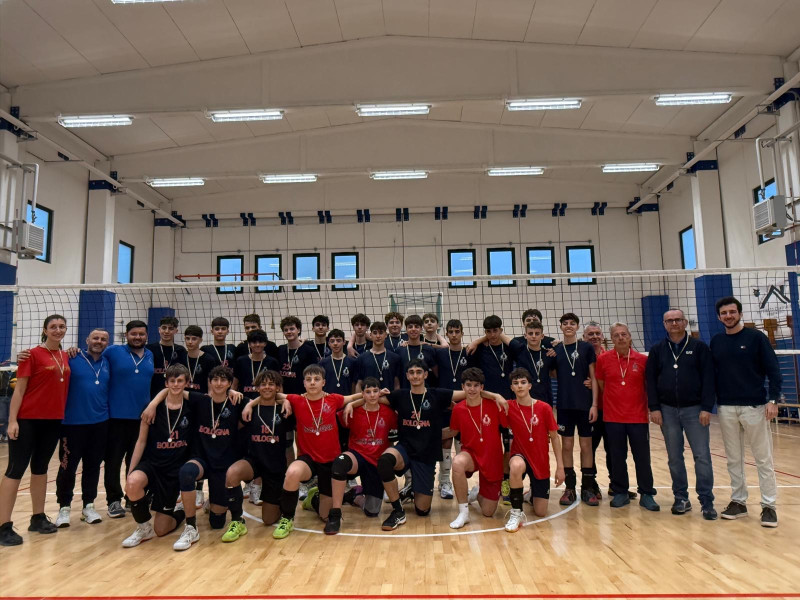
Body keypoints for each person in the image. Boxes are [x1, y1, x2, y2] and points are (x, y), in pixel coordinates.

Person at [372, 359, 507, 531]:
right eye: (411, 372)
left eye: (419, 372)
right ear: (407, 375)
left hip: (426, 454)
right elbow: (372, 398)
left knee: (422, 510)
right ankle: (398, 511)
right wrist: (357, 402)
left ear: (425, 374)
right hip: (405, 448)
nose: (415, 376)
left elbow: (470, 392)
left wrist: (496, 396)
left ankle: (412, 490)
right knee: (385, 461)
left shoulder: (438, 394)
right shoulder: (399, 395)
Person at [242, 364, 365, 539]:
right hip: (308, 459)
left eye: (316, 379)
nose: (312, 383)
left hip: (330, 461)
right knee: (292, 472)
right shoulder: (297, 400)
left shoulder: (333, 399)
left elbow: (354, 396)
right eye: (309, 380)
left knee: (325, 516)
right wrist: (250, 404)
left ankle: (313, 498)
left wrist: (354, 402)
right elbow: (270, 394)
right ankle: (287, 518)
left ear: (323, 382)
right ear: (304, 383)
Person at [141, 365, 244, 550]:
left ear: (230, 383)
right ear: (209, 382)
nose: (219, 383)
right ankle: (191, 526)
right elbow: (170, 389)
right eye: (215, 380)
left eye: (223, 380)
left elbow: (266, 399)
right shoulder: (200, 400)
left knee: (217, 523)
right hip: (201, 460)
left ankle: (212, 504)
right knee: (186, 472)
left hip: (222, 465)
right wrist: (152, 404)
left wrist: (247, 401)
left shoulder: (237, 401)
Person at [0, 315, 71, 546]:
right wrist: (12, 421)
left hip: (53, 421)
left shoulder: (65, 355)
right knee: (15, 470)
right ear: (45, 330)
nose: (58, 330)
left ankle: (37, 518)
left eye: (61, 326)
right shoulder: (31, 355)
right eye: (53, 327)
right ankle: (3, 525)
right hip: (27, 420)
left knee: (40, 469)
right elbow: (19, 391)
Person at [711, 296, 781, 527]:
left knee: (763, 458)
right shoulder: (717, 341)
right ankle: (738, 502)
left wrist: (773, 400)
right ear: (719, 317)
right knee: (733, 459)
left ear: (740, 313)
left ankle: (769, 506)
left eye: (732, 312)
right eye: (724, 313)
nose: (728, 316)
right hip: (726, 407)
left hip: (754, 407)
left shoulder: (756, 338)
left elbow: (774, 370)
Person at [646, 308, 717, 519]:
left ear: (685, 322)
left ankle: (706, 501)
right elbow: (650, 381)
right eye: (670, 321)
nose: (674, 323)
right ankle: (681, 498)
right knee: (674, 458)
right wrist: (654, 408)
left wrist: (707, 408)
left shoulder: (699, 347)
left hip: (695, 410)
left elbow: (709, 379)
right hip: (667, 410)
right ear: (664, 324)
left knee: (702, 456)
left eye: (678, 320)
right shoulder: (657, 350)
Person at [121, 364, 194, 548]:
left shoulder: (192, 406)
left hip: (173, 470)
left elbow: (213, 398)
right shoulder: (151, 408)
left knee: (161, 530)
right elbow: (141, 442)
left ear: (187, 383)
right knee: (132, 483)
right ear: (166, 383)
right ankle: (143, 528)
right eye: (172, 381)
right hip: (152, 464)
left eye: (180, 381)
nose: (176, 384)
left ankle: (180, 511)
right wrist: (130, 471)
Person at [595, 323, 658, 511]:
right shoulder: (603, 359)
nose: (620, 338)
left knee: (642, 457)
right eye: (616, 335)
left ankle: (647, 493)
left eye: (624, 334)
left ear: (630, 337)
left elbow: (648, 386)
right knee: (617, 457)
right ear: (611, 339)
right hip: (613, 418)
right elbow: (602, 384)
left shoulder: (643, 360)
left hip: (638, 417)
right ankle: (620, 492)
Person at [223, 370, 291, 543]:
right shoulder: (249, 407)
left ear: (278, 387)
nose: (267, 387)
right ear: (257, 387)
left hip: (275, 467)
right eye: (263, 384)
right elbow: (223, 392)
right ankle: (237, 521)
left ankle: (283, 501)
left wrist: (286, 400)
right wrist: (248, 403)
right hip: (254, 461)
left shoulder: (285, 408)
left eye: (271, 384)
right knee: (232, 473)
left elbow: (300, 398)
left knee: (268, 520)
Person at [54, 328, 111, 529]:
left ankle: (89, 505)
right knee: (67, 467)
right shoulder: (71, 358)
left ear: (107, 343)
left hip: (100, 424)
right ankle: (64, 507)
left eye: (103, 339)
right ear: (87, 340)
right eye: (95, 338)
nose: (99, 341)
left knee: (93, 466)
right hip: (72, 425)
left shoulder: (108, 362)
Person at [327, 376, 397, 534]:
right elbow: (331, 418)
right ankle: (335, 514)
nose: (372, 395)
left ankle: (355, 496)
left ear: (380, 393)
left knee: (372, 511)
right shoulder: (353, 411)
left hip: (376, 463)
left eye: (375, 391)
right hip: (357, 456)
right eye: (368, 392)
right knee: (340, 462)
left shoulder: (388, 412)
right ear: (362, 394)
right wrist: (351, 404)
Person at [103, 320, 155, 518]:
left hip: (141, 419)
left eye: (141, 334)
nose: (138, 337)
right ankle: (113, 500)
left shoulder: (150, 355)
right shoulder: (113, 351)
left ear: (146, 336)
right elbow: (92, 356)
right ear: (126, 335)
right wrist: (73, 351)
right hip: (115, 418)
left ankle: (132, 497)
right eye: (134, 334)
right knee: (113, 461)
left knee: (136, 461)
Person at [504, 368, 564, 532]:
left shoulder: (544, 408)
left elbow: (555, 438)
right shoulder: (509, 407)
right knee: (515, 465)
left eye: (523, 382)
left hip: (540, 461)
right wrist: (497, 397)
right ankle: (516, 512)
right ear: (511, 388)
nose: (520, 386)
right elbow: (486, 399)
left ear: (530, 385)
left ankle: (528, 495)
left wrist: (560, 467)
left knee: (540, 512)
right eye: (516, 383)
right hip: (520, 456)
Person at [448, 368, 507, 529]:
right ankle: (463, 513)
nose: (472, 389)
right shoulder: (459, 409)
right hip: (471, 454)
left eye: (476, 385)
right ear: (463, 387)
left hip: (492, 458)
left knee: (488, 512)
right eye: (468, 385)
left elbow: (509, 425)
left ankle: (478, 493)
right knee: (457, 462)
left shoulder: (495, 405)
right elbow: (453, 431)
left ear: (482, 387)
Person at [553, 313, 598, 506]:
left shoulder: (586, 348)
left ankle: (587, 488)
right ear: (561, 327)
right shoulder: (556, 350)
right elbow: (552, 373)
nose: (569, 326)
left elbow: (593, 377)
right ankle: (569, 488)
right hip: (564, 405)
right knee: (567, 445)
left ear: (578, 327)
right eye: (565, 323)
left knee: (586, 446)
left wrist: (594, 404)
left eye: (572, 323)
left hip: (585, 405)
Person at [471, 315, 513, 502]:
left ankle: (506, 482)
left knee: (509, 446)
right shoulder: (480, 349)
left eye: (496, 331)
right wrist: (480, 340)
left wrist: (486, 338)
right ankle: (487, 484)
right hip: (488, 404)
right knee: (490, 447)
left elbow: (522, 346)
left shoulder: (509, 347)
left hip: (508, 404)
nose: (493, 334)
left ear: (501, 330)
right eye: (488, 332)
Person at [433, 319, 474, 500]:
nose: (454, 335)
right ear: (447, 334)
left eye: (457, 331)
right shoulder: (440, 353)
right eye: (451, 332)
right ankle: (444, 482)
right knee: (445, 441)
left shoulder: (470, 352)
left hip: (465, 405)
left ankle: (460, 481)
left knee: (462, 443)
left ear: (462, 333)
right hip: (445, 404)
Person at [582, 321, 613, 501]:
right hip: (590, 410)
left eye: (597, 333)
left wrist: (595, 383)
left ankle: (615, 484)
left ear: (602, 336)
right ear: (584, 337)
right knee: (590, 449)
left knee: (614, 449)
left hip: (610, 410)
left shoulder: (610, 355)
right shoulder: (580, 355)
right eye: (590, 334)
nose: (594, 337)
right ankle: (591, 483)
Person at [147, 316, 188, 401]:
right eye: (164, 328)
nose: (166, 331)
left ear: (176, 331)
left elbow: (184, 374)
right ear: (159, 329)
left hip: (174, 395)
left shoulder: (181, 350)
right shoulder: (149, 349)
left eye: (170, 328)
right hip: (151, 394)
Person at [278, 316, 319, 396]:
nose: (289, 332)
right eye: (286, 330)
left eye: (292, 329)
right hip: (284, 396)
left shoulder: (309, 351)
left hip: (303, 395)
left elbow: (313, 375)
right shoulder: (280, 350)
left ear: (298, 330)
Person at [355, 321, 401, 391]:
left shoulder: (395, 358)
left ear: (386, 335)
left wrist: (396, 398)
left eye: (381, 333)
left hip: (388, 397)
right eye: (375, 333)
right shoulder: (361, 358)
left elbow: (396, 384)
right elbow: (359, 383)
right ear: (370, 335)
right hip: (369, 397)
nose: (378, 336)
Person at [183, 326, 219, 394]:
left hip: (202, 397)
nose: (190, 342)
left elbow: (211, 386)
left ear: (200, 340)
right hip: (183, 396)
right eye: (187, 338)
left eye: (194, 339)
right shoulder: (181, 357)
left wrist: (209, 398)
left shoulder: (208, 360)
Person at [320, 329, 358, 394]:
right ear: (329, 343)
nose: (335, 343)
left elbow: (354, 384)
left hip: (347, 398)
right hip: (329, 399)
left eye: (338, 340)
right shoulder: (323, 363)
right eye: (332, 341)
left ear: (344, 342)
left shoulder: (352, 362)